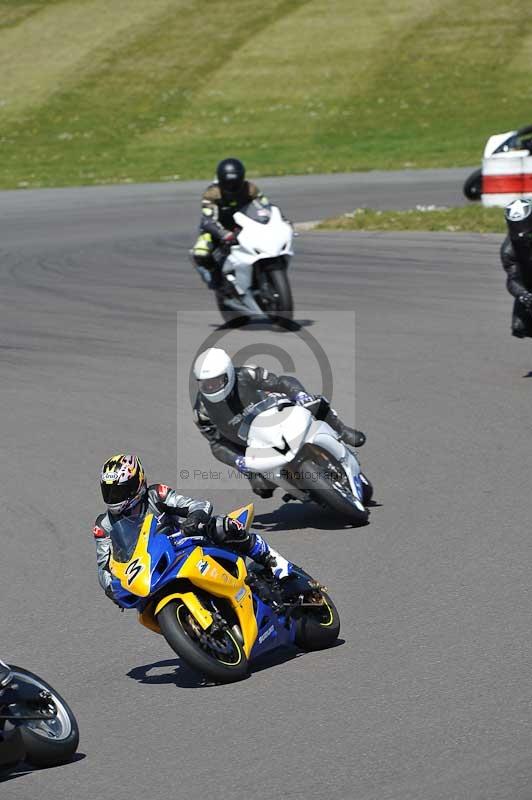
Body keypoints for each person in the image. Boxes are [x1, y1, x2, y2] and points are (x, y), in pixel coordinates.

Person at [93, 454, 292, 602]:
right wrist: (112, 587)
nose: (114, 497)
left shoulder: (156, 495)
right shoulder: (103, 526)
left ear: (137, 482)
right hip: (150, 571)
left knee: (221, 526)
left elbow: (198, 505)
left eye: (120, 490)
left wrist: (195, 518)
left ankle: (273, 561)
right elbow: (104, 567)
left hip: (183, 546)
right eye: (109, 490)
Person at [192, 348, 366, 498]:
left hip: (276, 414)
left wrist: (299, 394)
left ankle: (341, 431)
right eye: (206, 384)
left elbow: (280, 382)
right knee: (262, 488)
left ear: (228, 374)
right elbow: (216, 443)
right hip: (251, 445)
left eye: (216, 382)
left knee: (315, 403)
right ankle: (306, 492)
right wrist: (237, 461)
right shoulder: (201, 412)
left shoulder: (247, 374)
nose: (211, 387)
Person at [191, 158, 271, 289]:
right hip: (216, 228)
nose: (232, 187)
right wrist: (223, 233)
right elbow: (207, 219)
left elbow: (267, 207)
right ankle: (215, 277)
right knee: (201, 252)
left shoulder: (250, 189)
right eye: (228, 184)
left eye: (235, 183)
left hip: (245, 225)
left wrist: (280, 221)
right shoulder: (212, 193)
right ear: (221, 181)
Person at [501, 198, 532, 338]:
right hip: (530, 284)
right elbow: (513, 279)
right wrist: (524, 295)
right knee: (519, 327)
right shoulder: (508, 251)